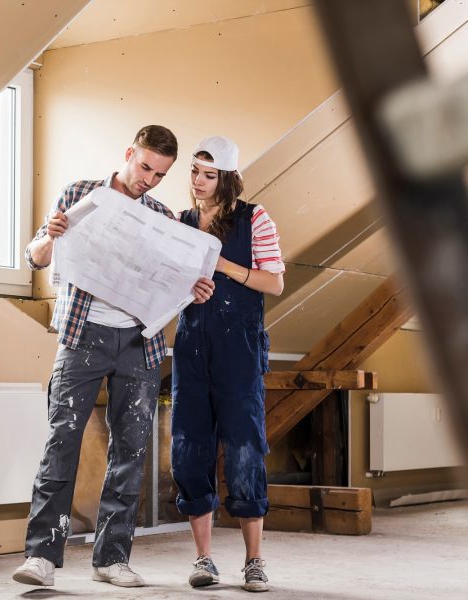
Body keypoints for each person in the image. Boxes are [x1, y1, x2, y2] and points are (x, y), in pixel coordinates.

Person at [13, 125, 205, 589]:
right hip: (82, 336)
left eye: (160, 175)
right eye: (145, 168)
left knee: (131, 450)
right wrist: (51, 237)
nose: (149, 180)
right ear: (128, 154)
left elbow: (169, 278)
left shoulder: (162, 215)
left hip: (140, 343)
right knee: (63, 441)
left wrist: (194, 289)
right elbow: (36, 256)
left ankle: (112, 557)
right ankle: (42, 557)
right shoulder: (81, 193)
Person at [171, 135, 285, 593]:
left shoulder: (254, 218)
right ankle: (203, 559)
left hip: (239, 351)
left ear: (228, 178)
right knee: (189, 448)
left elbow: (274, 282)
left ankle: (254, 561)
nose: (199, 182)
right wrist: (187, 289)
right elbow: (167, 283)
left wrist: (224, 266)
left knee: (244, 450)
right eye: (195, 172)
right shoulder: (179, 223)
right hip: (191, 349)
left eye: (209, 174)